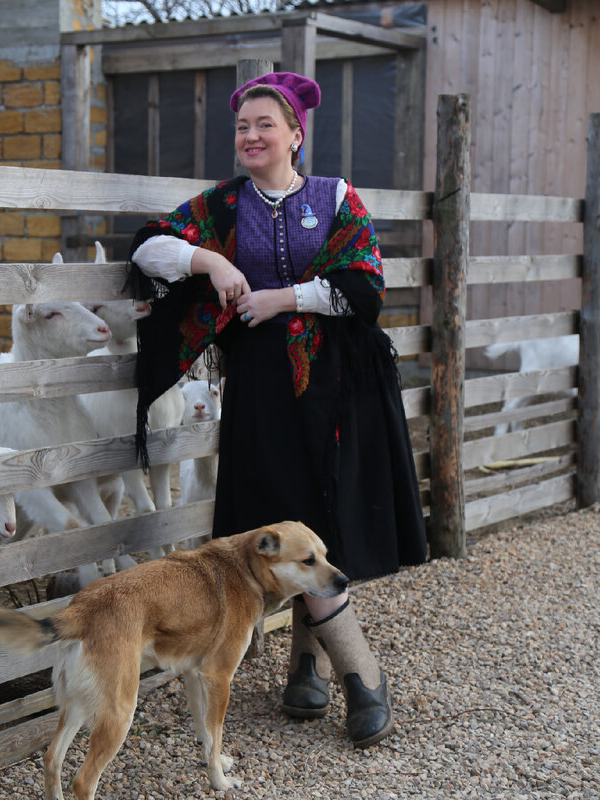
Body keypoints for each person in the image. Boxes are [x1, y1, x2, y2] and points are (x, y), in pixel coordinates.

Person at [128, 71, 427, 749]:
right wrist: (208, 259)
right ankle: (358, 674)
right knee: (283, 514)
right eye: (242, 127)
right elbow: (147, 248)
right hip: (264, 388)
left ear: (296, 134)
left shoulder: (336, 197)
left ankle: (321, 673)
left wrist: (280, 299)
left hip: (340, 383)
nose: (251, 136)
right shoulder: (223, 206)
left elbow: (365, 287)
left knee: (322, 517)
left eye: (266, 124)